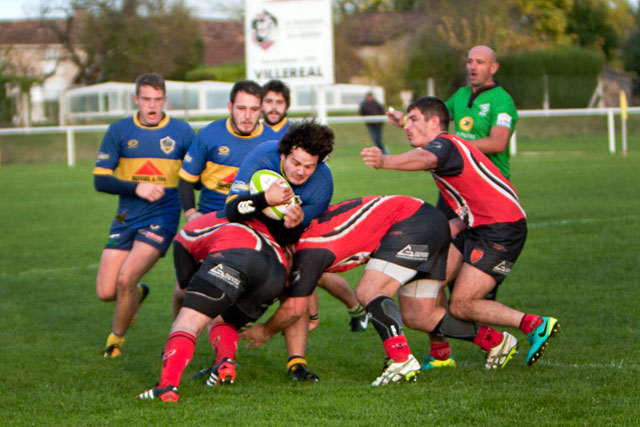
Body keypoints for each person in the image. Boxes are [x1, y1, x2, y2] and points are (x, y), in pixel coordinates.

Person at [240, 195, 523, 385]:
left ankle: (400, 359)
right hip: (424, 220)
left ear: (286, 249)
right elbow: (305, 298)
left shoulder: (310, 250)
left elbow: (295, 307)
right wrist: (311, 315)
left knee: (369, 290)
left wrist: (264, 331)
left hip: (412, 222)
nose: (279, 269)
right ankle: (496, 342)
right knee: (419, 315)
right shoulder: (309, 241)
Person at [361, 96, 559, 368]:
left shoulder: (445, 145)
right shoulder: (446, 144)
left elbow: (425, 157)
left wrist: (384, 161)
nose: (408, 126)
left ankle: (534, 324)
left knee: (462, 305)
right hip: (473, 225)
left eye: (414, 119)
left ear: (434, 123)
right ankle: (443, 352)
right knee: (424, 287)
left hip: (500, 228)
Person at [136, 212, 289, 402]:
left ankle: (167, 387)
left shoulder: (185, 234)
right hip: (277, 273)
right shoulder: (250, 219)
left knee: (188, 322)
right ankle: (225, 364)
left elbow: (185, 287)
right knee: (224, 320)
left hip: (237, 255)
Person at [93, 73, 195, 358]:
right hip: (127, 215)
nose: (152, 106)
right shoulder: (119, 131)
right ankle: (137, 295)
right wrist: (138, 187)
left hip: (163, 216)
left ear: (165, 100)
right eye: (146, 99)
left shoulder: (182, 132)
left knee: (126, 277)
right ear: (136, 99)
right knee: (106, 291)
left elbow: (195, 175)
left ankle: (115, 342)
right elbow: (100, 180)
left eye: (158, 100)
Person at [172, 80, 276, 316]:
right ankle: (176, 340)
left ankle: (224, 347)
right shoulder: (209, 134)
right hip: (210, 221)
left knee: (228, 293)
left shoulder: (272, 143)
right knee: (184, 290)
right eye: (241, 108)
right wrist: (191, 213)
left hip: (251, 226)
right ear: (230, 107)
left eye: (253, 109)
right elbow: (186, 180)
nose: (247, 115)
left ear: (261, 110)